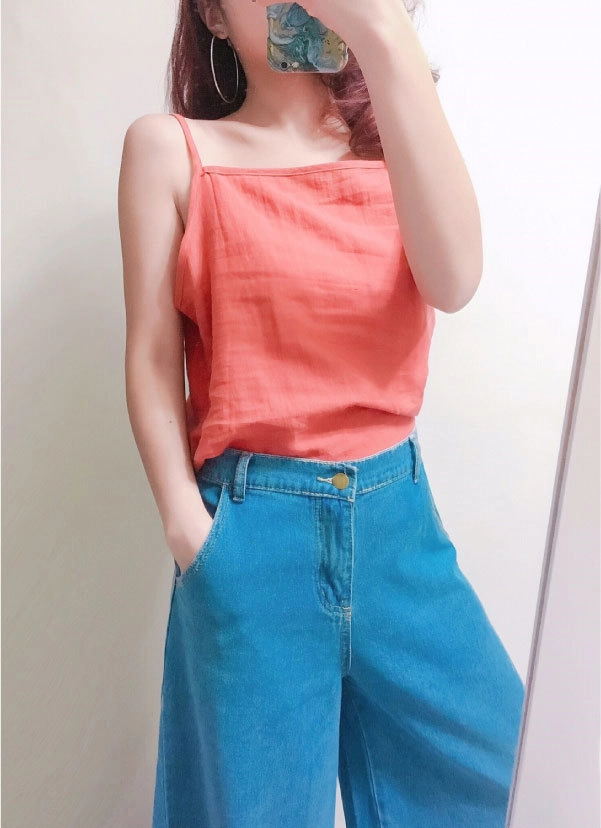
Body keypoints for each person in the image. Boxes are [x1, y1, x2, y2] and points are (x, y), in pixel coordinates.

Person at [118, 1, 525, 825]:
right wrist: (190, 532)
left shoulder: (397, 145)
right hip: (250, 536)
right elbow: (153, 358)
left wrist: (381, 32)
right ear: (213, 15)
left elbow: (453, 282)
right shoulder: (170, 149)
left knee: (518, 778)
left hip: (396, 525)